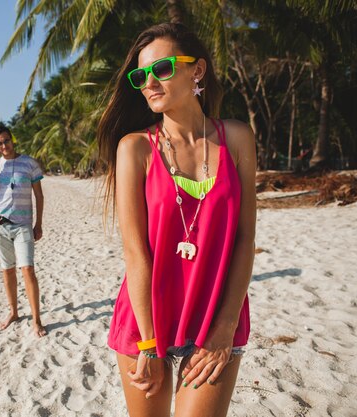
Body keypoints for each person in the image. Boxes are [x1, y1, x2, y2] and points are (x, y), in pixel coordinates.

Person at [97, 23, 256, 416]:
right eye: (140, 75)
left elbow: (245, 240)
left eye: (162, 69)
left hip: (215, 319)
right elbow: (135, 253)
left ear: (196, 70)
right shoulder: (135, 149)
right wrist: (149, 343)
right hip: (146, 324)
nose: (149, 82)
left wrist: (224, 328)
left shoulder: (236, 138)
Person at [0, 123, 47, 338]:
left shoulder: (29, 163)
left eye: (6, 140)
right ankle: (14, 312)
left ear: (13, 140)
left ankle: (36, 320)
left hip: (23, 225)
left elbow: (39, 196)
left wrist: (38, 224)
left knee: (27, 270)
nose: (4, 145)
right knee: (7, 270)